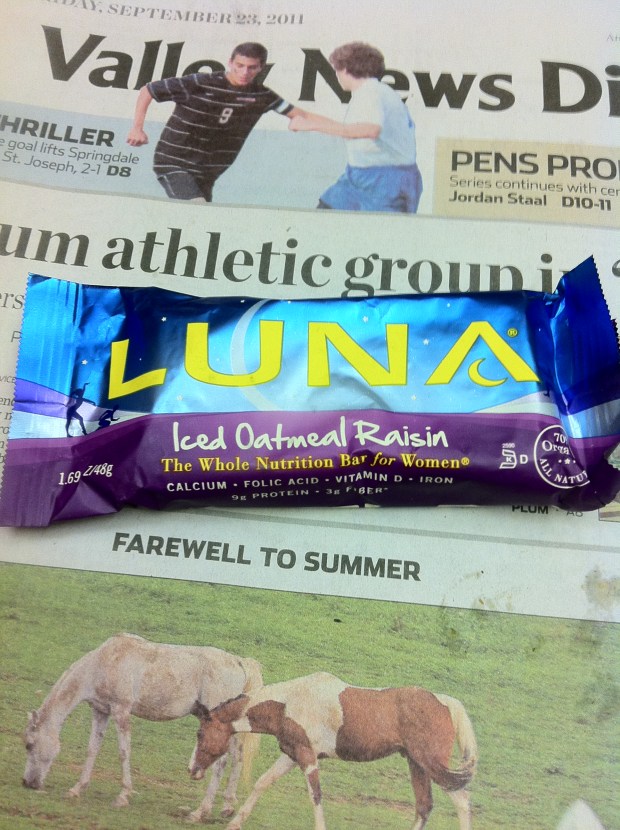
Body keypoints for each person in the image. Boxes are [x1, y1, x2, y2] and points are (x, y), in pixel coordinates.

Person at [127, 42, 306, 203]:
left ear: (261, 68)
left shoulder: (261, 95)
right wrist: (137, 128)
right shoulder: (201, 82)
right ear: (230, 63)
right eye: (240, 65)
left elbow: (301, 115)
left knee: (199, 218)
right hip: (174, 163)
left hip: (207, 172)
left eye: (251, 67)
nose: (244, 72)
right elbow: (148, 90)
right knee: (197, 207)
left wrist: (320, 125)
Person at [289, 42, 422, 213]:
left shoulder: (370, 92)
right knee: (323, 215)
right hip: (359, 176)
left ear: (344, 69)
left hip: (386, 181)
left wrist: (312, 125)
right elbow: (349, 128)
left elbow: (370, 130)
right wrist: (302, 117)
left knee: (376, 230)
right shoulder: (374, 91)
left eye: (336, 70)